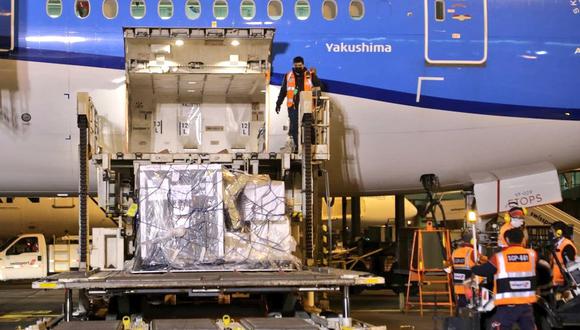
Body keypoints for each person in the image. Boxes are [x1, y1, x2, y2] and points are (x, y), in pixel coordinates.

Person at [472, 228, 538, 330]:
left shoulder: (500, 257)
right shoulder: (532, 254)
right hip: (526, 305)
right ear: (522, 239)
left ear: (507, 239)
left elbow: (483, 271)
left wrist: (473, 266)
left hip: (507, 306)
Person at [275, 56, 321, 151]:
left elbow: (318, 88)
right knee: (294, 128)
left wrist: (319, 102)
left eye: (299, 65)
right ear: (293, 65)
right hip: (293, 107)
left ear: (303, 64)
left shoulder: (310, 75)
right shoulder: (288, 75)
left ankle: (311, 147)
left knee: (309, 127)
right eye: (296, 65)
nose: (298, 67)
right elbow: (283, 91)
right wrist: (278, 103)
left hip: (307, 106)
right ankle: (297, 147)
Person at [451, 232, 476, 310]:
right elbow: (483, 264)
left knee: (461, 306)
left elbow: (450, 266)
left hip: (458, 285)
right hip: (469, 286)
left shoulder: (455, 252)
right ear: (473, 241)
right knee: (471, 307)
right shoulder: (472, 252)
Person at [551, 221, 577, 287]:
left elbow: (571, 266)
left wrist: (572, 283)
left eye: (553, 231)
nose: (552, 233)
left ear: (559, 232)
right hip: (557, 282)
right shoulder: (558, 244)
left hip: (563, 283)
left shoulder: (567, 245)